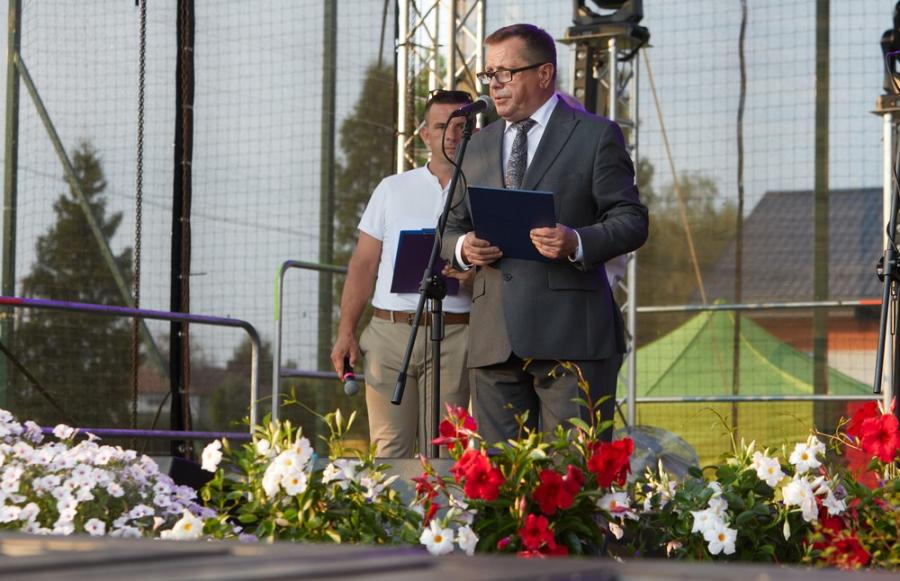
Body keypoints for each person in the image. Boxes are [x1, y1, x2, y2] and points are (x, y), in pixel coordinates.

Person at [441, 23, 649, 445]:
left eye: (505, 73)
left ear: (544, 73)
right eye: (489, 74)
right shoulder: (476, 145)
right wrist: (463, 247)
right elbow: (448, 226)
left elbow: (631, 219)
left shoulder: (593, 135)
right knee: (502, 477)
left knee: (572, 472)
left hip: (571, 336)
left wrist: (577, 241)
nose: (494, 85)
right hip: (495, 338)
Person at [331, 90, 475, 458]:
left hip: (456, 333)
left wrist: (471, 275)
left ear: (474, 131)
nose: (452, 135)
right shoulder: (392, 189)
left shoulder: (485, 190)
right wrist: (346, 331)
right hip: (390, 333)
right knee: (388, 453)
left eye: (460, 126)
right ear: (425, 134)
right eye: (441, 126)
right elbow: (363, 264)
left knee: (446, 454)